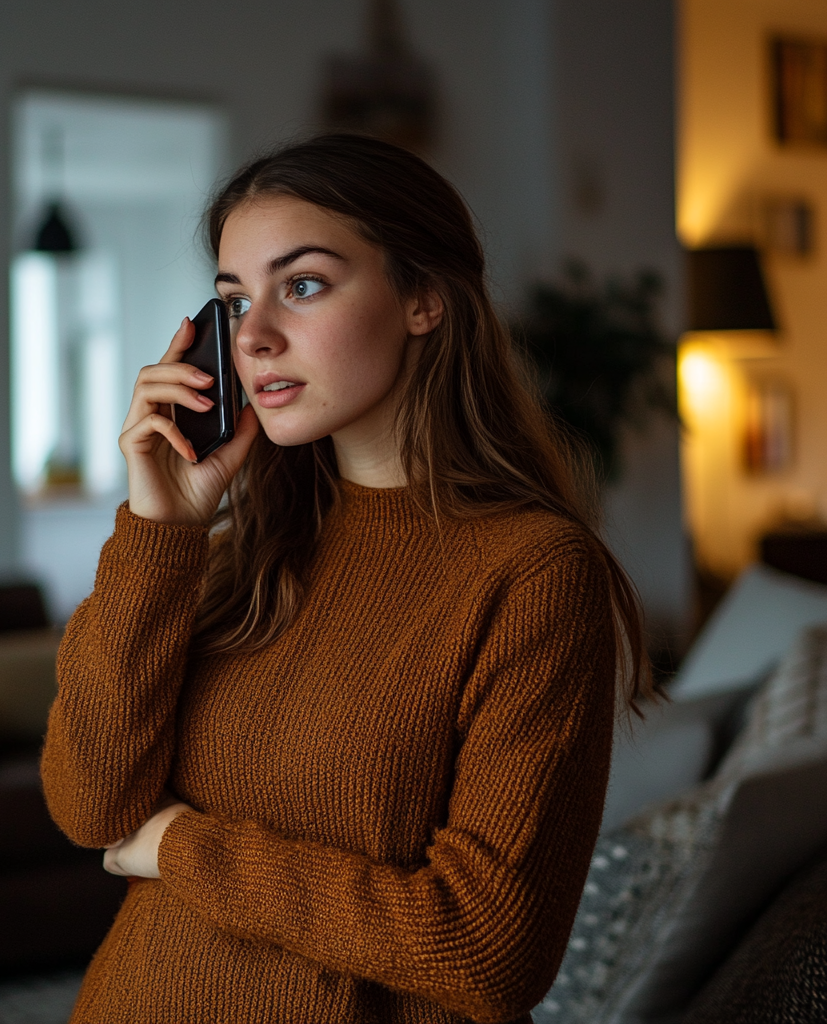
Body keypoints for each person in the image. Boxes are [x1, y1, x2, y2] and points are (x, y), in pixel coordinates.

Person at [41, 133, 654, 1024]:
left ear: (423, 300)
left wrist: (179, 845)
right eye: (234, 300)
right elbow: (90, 802)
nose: (253, 336)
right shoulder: (237, 550)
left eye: (303, 285)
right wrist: (160, 529)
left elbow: (488, 950)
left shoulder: (532, 576)